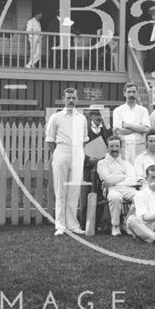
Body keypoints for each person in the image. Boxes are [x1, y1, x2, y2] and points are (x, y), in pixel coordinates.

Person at [45, 87, 89, 236]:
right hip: (61, 151)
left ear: (77, 99)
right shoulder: (56, 117)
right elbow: (50, 140)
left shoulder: (82, 118)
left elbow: (84, 140)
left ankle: (73, 224)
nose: (71, 100)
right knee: (60, 190)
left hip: (77, 152)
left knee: (74, 190)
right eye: (68, 98)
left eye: (73, 98)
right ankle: (60, 225)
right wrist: (58, 154)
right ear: (64, 99)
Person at [96, 136, 141, 236]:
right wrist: (124, 176)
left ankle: (125, 223)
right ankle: (115, 226)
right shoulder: (102, 163)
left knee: (140, 196)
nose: (114, 148)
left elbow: (132, 179)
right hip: (110, 189)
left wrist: (115, 180)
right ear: (107, 148)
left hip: (127, 188)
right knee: (115, 197)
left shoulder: (126, 163)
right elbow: (107, 179)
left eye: (117, 146)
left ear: (121, 147)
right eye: (111, 146)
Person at [112, 82, 151, 165]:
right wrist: (139, 128)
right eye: (129, 92)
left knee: (139, 171)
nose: (131, 94)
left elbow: (147, 129)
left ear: (137, 93)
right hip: (124, 147)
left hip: (140, 146)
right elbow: (119, 131)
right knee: (126, 172)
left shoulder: (143, 110)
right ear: (124, 93)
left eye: (133, 92)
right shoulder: (118, 110)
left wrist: (128, 125)